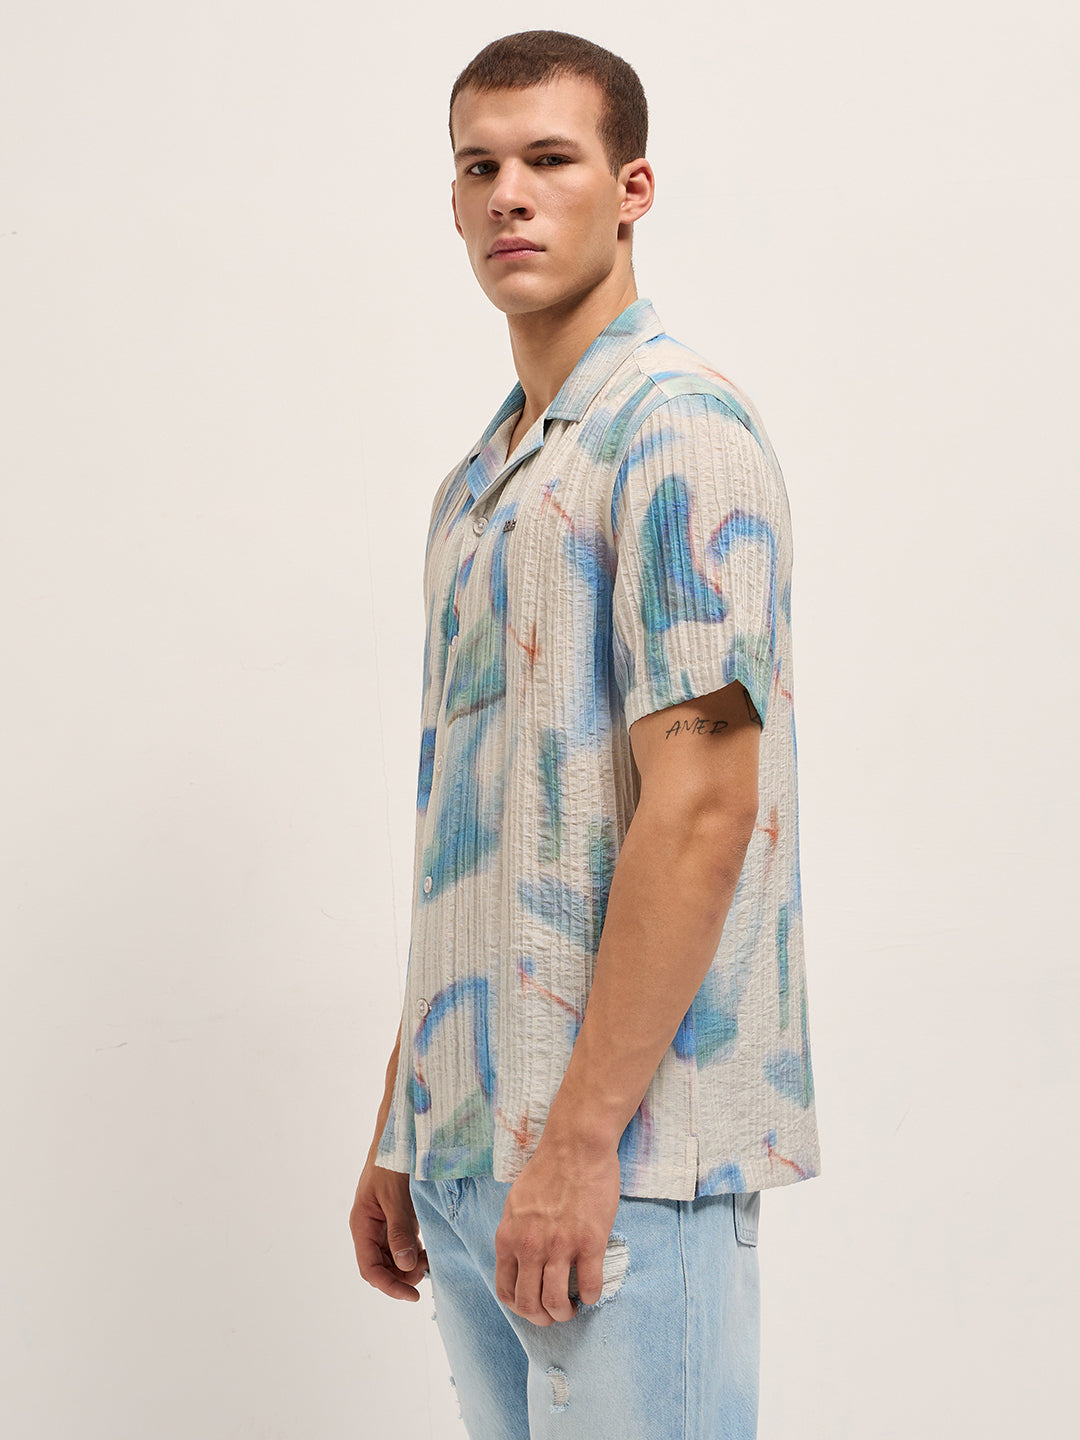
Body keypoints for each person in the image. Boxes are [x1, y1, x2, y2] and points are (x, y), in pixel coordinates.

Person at [349, 29, 822, 1439]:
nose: (509, 194)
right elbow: (472, 832)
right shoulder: (480, 482)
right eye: (479, 167)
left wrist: (579, 1141)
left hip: (623, 1163)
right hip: (474, 1154)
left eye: (550, 159)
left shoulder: (677, 434)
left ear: (631, 189)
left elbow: (703, 806)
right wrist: (403, 1119)